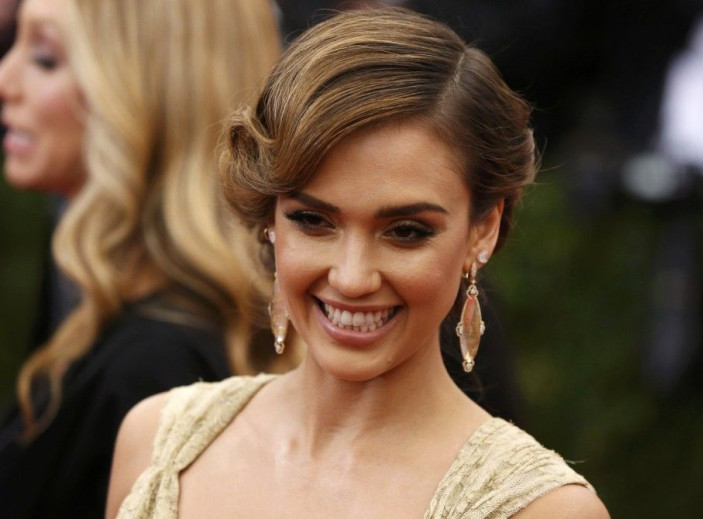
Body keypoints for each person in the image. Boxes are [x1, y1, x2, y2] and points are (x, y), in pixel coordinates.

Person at [108, 8, 609, 518]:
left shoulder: (542, 510)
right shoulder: (155, 445)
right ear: (270, 218)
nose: (351, 277)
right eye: (313, 221)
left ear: (483, 229)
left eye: (406, 232)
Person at [0, 0, 293, 517]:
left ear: (147, 90)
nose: (5, 80)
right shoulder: (96, 292)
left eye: (45, 58)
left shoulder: (155, 368)